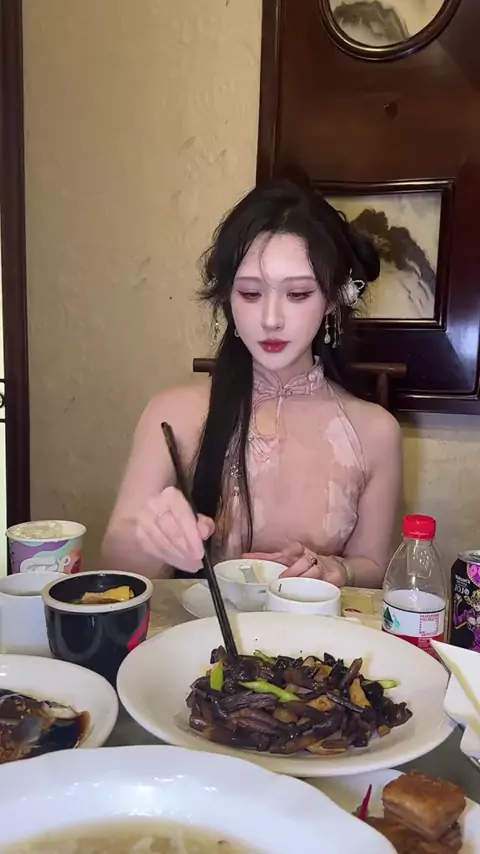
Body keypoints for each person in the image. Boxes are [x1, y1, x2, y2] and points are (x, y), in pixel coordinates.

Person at [102, 180, 402, 586]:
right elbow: (117, 557)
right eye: (250, 293)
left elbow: (374, 566)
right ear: (227, 297)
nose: (271, 319)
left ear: (333, 298)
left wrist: (339, 569)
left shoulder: (376, 432)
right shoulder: (172, 413)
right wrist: (151, 538)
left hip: (314, 629)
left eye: (297, 294)